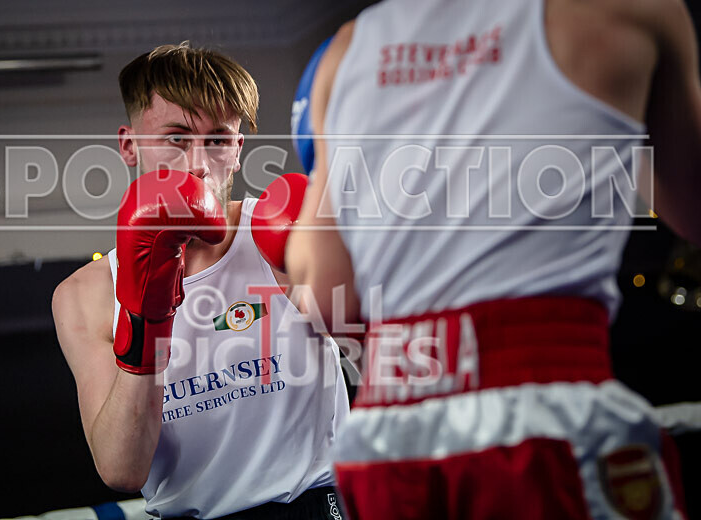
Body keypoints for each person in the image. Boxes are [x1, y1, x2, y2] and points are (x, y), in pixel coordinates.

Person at [286, 0, 701, 518]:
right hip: (548, 416)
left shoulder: (345, 53)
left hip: (387, 436)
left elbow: (325, 296)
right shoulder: (622, 9)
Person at [52, 42, 349, 519]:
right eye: (175, 137)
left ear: (236, 152)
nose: (196, 163)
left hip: (313, 505)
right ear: (129, 146)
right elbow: (121, 469)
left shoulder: (289, 233)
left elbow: (386, 356)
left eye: (217, 140)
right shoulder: (84, 296)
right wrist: (145, 318)